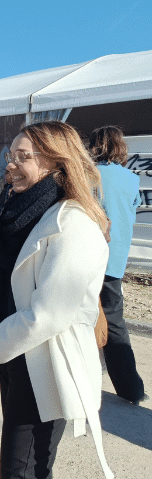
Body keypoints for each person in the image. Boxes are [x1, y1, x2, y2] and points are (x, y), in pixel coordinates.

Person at [0, 121, 114, 479]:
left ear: (55, 163)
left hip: (46, 364)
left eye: (23, 157)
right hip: (17, 358)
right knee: (27, 473)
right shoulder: (26, 215)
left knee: (22, 476)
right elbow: (9, 286)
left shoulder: (73, 222)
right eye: (10, 156)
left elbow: (48, 314)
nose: (10, 165)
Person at [89, 125, 147, 405]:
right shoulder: (131, 179)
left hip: (89, 253)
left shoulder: (90, 175)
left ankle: (82, 374)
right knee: (114, 321)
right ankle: (130, 387)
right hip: (117, 255)